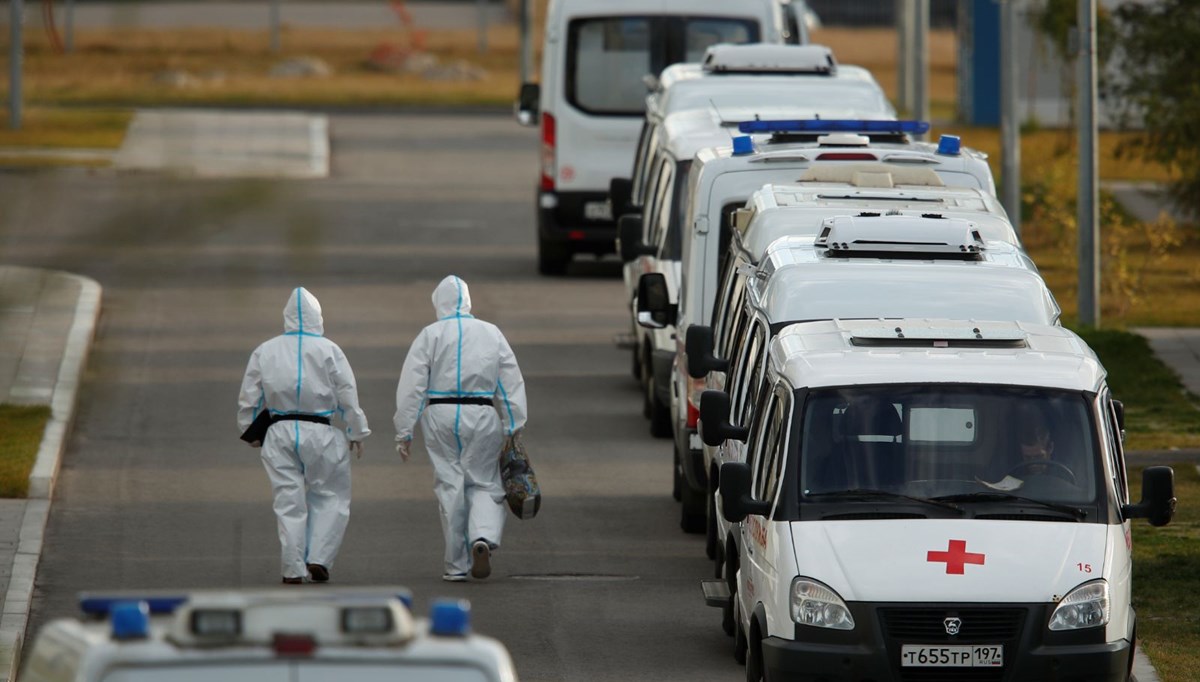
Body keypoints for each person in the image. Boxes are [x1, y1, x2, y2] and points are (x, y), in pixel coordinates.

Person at [394, 275, 527, 582]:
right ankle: (481, 537)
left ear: (437, 302)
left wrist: (404, 430)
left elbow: (412, 386)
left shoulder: (430, 335)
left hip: (439, 414)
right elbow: (509, 382)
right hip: (480, 412)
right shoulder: (491, 333)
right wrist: (513, 425)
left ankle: (456, 565)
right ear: (468, 301)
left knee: (450, 485)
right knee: (485, 482)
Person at [237, 287, 370, 585]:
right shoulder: (330, 350)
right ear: (317, 317)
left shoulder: (265, 350)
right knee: (330, 496)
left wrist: (249, 430)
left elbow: (250, 396)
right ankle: (319, 558)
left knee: (288, 501)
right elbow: (346, 393)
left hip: (280, 430)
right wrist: (355, 430)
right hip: (321, 430)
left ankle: (292, 568)